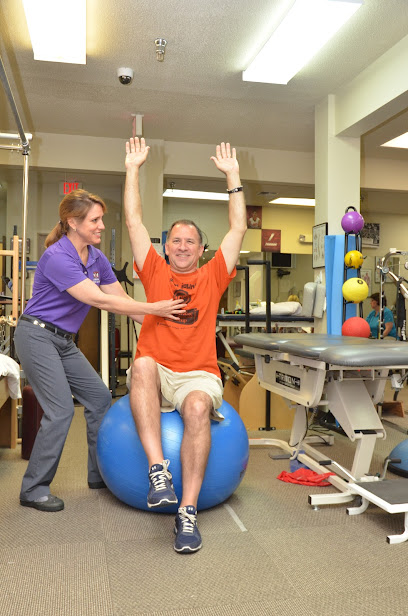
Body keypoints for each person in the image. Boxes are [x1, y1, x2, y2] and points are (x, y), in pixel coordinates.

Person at [14, 189, 186, 513]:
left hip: (64, 341)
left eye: (101, 219)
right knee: (61, 409)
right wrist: (157, 308)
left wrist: (166, 327)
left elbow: (123, 302)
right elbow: (98, 300)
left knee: (99, 397)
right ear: (72, 222)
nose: (102, 225)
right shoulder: (57, 256)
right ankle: (33, 488)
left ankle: (98, 475)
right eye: (95, 220)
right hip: (35, 337)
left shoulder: (96, 258)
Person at [124, 137, 247, 553]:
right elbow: (134, 223)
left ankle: (188, 512)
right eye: (174, 240)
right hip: (157, 371)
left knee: (196, 407)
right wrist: (133, 169)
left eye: (189, 241)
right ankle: (159, 471)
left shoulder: (214, 276)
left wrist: (232, 177)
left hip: (199, 374)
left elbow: (239, 228)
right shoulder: (153, 271)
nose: (181, 246)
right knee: (141, 365)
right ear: (166, 246)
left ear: (200, 249)